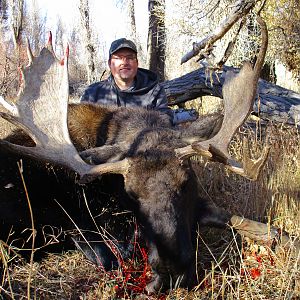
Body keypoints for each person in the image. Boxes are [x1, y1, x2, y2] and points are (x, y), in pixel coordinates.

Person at [81, 38, 172, 118]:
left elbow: (165, 119)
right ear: (109, 63)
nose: (124, 62)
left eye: (129, 58)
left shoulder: (155, 91)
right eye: (118, 58)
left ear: (137, 63)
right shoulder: (92, 93)